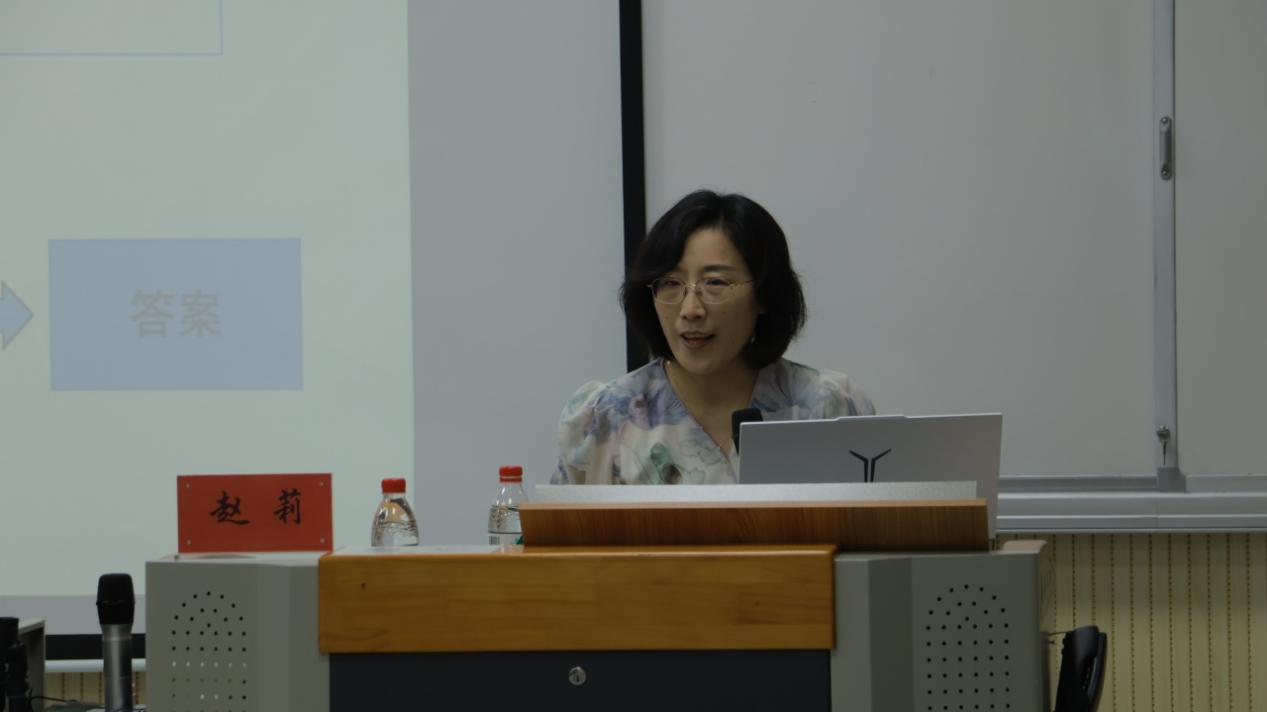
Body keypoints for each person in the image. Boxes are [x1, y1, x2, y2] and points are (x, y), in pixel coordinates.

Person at [554, 190, 875, 485]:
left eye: (716, 283)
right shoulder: (606, 418)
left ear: (764, 294)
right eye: (671, 284)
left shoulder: (826, 407)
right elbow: (559, 531)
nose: (690, 310)